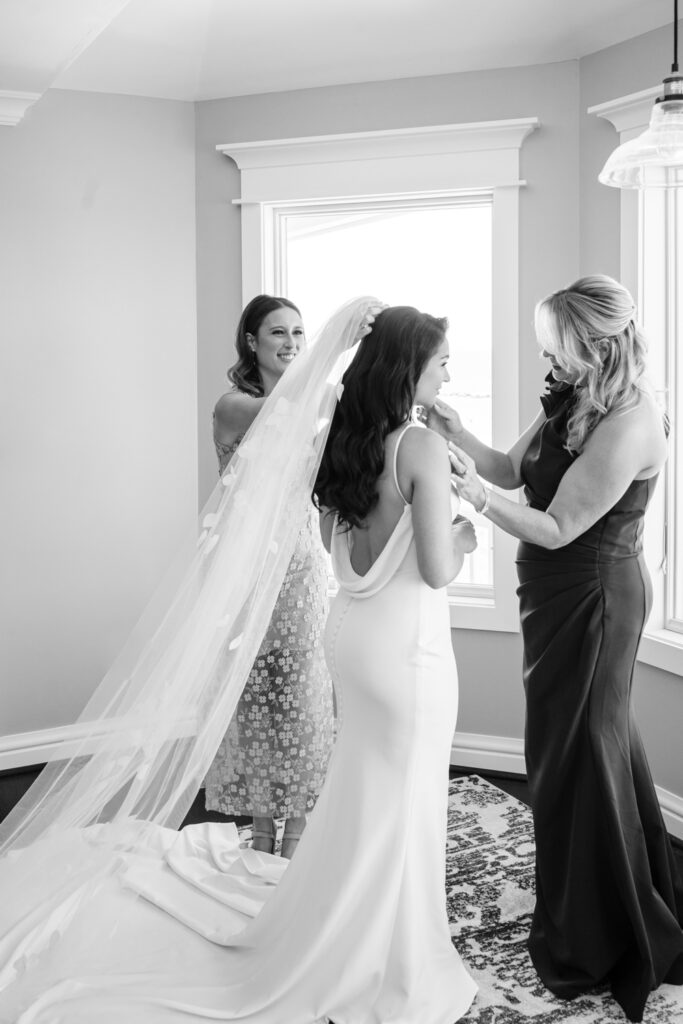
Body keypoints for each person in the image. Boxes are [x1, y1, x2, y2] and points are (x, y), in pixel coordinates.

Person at [0, 299, 478, 1023]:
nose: (450, 370)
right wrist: (465, 531)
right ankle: (383, 938)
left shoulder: (350, 440)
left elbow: (333, 543)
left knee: (361, 780)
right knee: (396, 789)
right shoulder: (404, 443)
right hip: (398, 648)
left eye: (298, 333)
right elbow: (439, 570)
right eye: (442, 360)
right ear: (411, 369)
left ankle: (331, 903)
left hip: (349, 630)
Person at [434, 275, 683, 1022]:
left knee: (577, 748)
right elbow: (513, 471)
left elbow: (557, 526)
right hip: (550, 596)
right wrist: (451, 431)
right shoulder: (576, 392)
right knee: (575, 745)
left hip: (594, 597)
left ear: (593, 343)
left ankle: (603, 931)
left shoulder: (631, 420)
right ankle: (612, 893)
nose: (546, 357)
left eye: (555, 344)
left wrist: (473, 500)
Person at [205, 295, 333, 859]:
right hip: (249, 569)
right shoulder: (235, 406)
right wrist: (340, 339)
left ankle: (299, 832)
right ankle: (260, 830)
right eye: (277, 332)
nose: (291, 342)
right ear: (251, 342)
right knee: (256, 695)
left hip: (303, 562)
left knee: (304, 691)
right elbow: (288, 411)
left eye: (301, 334)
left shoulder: (308, 406)